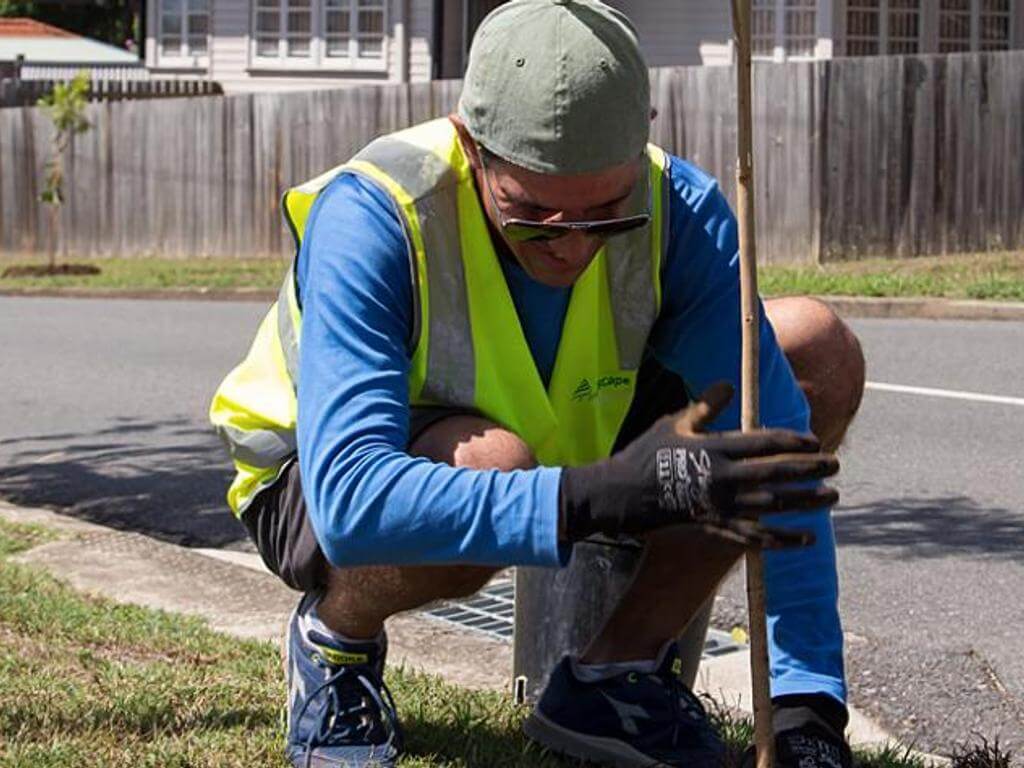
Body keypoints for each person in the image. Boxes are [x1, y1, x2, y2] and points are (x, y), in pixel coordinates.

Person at [210, 1, 866, 766]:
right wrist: (599, 494)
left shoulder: (684, 211)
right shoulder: (376, 215)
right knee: (491, 465)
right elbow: (353, 503)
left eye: (608, 214)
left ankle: (610, 680)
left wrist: (806, 706)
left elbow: (777, 461)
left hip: (561, 436)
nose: (573, 248)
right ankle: (337, 643)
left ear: (645, 133)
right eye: (533, 217)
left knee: (811, 351)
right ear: (470, 145)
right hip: (320, 479)